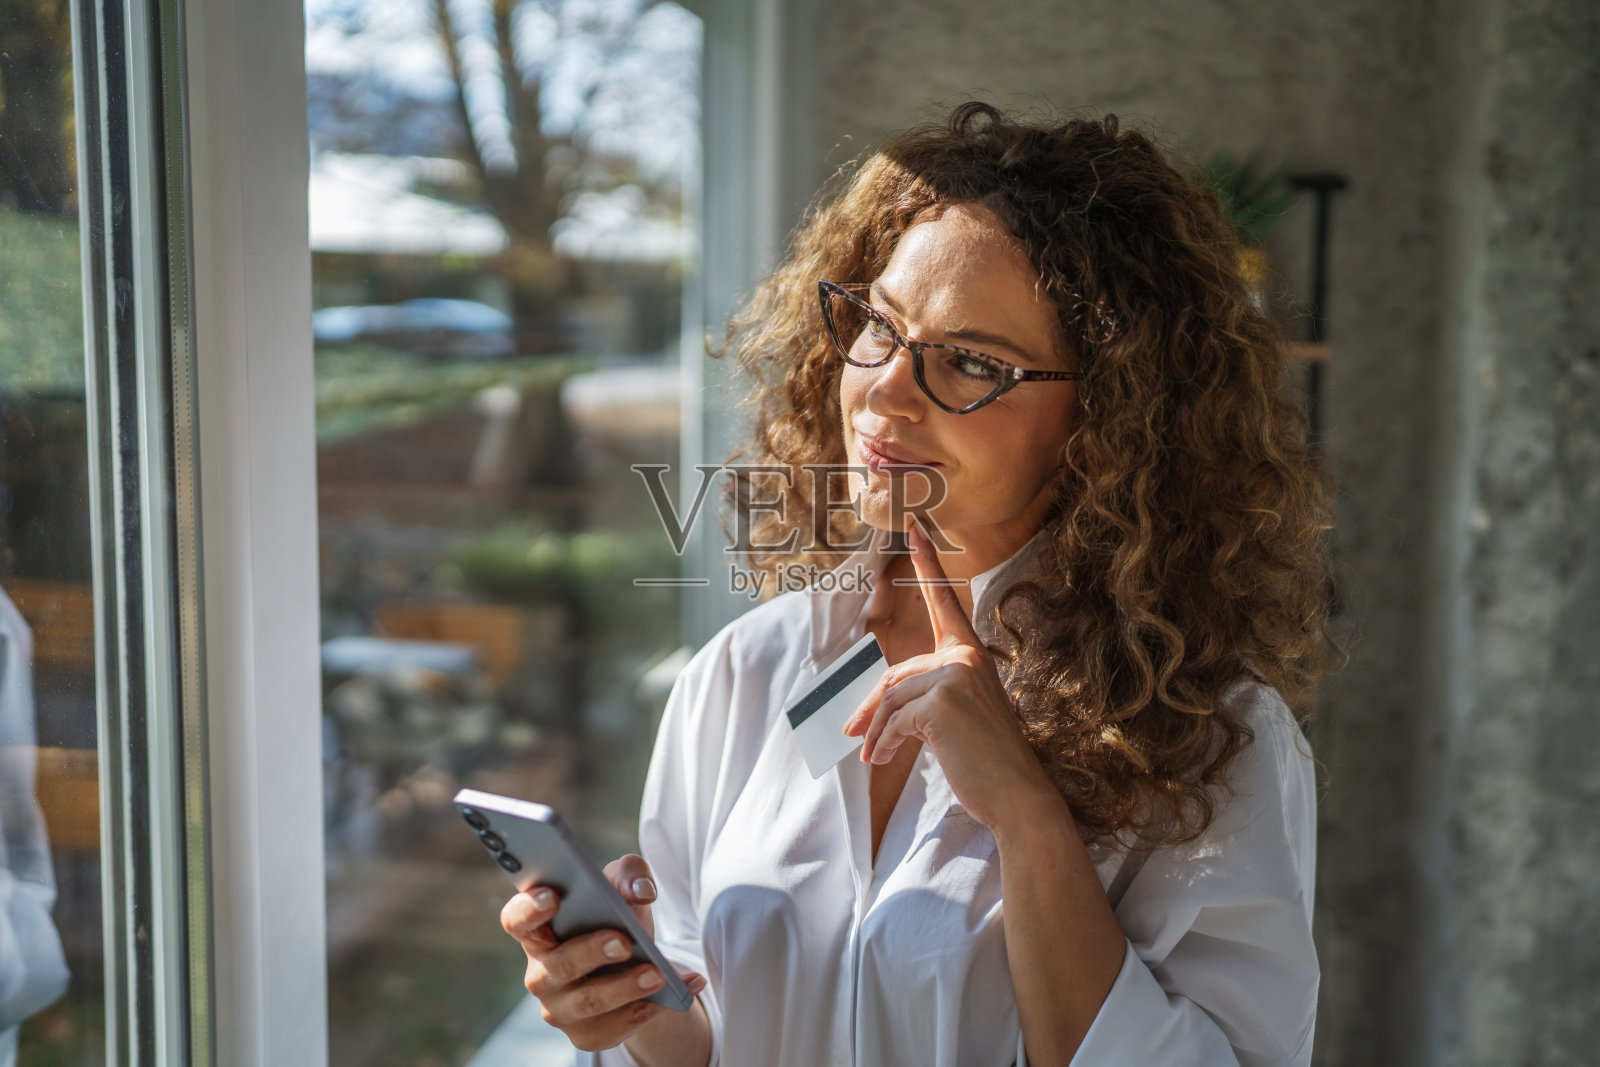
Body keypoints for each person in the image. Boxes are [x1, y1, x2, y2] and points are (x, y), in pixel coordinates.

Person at [499, 102, 1338, 1066]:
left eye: (972, 361)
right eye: (878, 327)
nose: (886, 389)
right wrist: (627, 1007)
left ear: (1110, 417)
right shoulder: (752, 669)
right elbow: (713, 1027)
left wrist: (1029, 815)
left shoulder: (1208, 738)